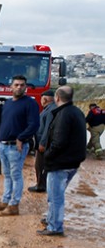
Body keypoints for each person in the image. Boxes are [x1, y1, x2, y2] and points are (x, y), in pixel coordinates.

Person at [38, 86, 87, 236]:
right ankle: (51, 219)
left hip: (60, 163)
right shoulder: (77, 112)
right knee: (55, 195)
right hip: (73, 162)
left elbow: (59, 142)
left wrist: (47, 155)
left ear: (57, 98)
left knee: (55, 197)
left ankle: (55, 227)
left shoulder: (63, 115)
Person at [0, 75, 40, 216]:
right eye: (16, 85)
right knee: (6, 174)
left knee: (16, 175)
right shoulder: (8, 103)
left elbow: (34, 124)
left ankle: (14, 205)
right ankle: (5, 200)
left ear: (26, 87)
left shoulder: (30, 103)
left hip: (15, 146)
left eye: (22, 85)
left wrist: (21, 138)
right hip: (2, 145)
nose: (19, 87)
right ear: (11, 87)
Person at [28, 90, 56, 193]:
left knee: (40, 165)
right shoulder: (49, 109)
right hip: (44, 142)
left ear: (44, 99)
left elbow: (48, 128)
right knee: (41, 165)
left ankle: (41, 185)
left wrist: (42, 143)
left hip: (44, 143)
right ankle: (43, 184)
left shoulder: (50, 111)